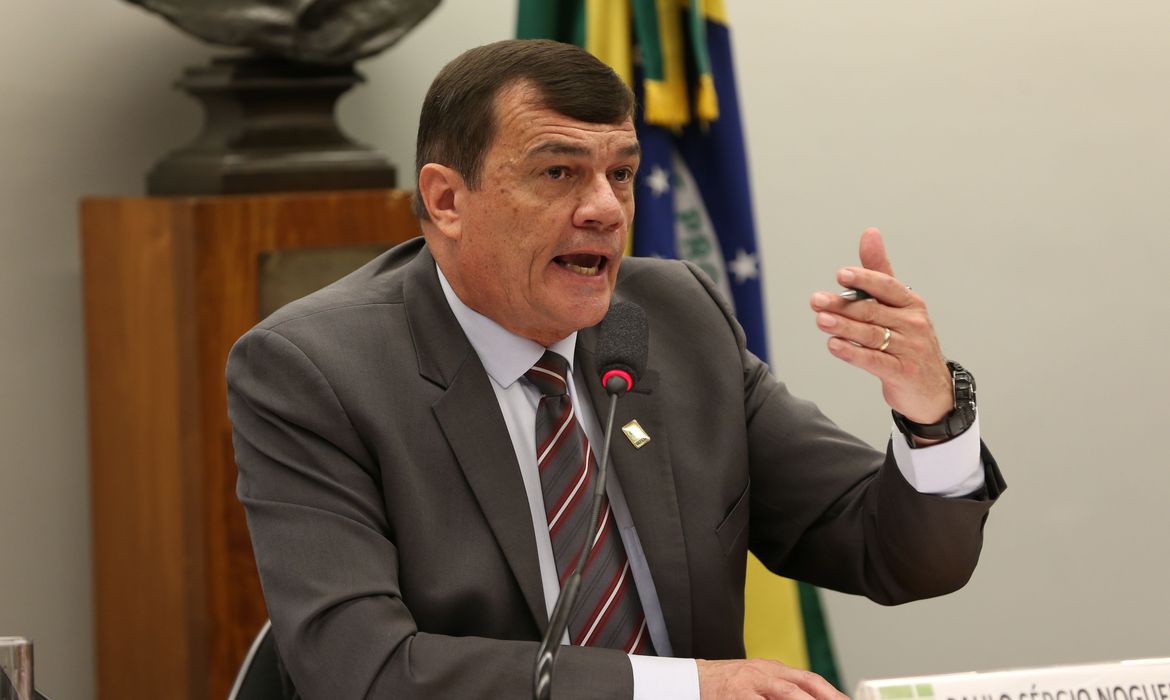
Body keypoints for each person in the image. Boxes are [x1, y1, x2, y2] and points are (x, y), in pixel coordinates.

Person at [226, 38, 1004, 700]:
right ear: (447, 201)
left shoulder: (673, 320)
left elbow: (894, 556)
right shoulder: (315, 371)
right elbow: (359, 671)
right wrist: (683, 689)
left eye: (622, 174)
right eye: (559, 173)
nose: (605, 208)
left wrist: (930, 412)